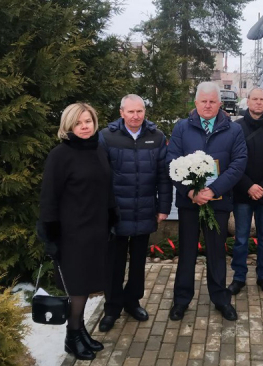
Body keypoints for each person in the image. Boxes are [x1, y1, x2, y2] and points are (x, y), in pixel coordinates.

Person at [39, 103, 116, 360]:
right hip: (72, 233)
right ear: (68, 126)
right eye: (79, 123)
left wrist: (111, 217)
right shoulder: (60, 155)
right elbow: (49, 197)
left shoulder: (98, 150)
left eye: (89, 121)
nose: (85, 126)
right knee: (78, 287)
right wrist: (50, 234)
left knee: (86, 284)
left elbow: (106, 187)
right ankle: (72, 337)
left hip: (96, 230)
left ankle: (80, 331)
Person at [167, 82, 247, 322]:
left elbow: (238, 164)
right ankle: (181, 300)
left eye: (213, 101)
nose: (208, 105)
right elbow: (172, 161)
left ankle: (221, 299)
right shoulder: (182, 128)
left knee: (216, 253)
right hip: (189, 203)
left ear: (220, 104)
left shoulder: (233, 131)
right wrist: (190, 192)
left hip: (218, 203)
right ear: (196, 103)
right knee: (187, 252)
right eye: (204, 101)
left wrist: (212, 190)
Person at [98, 94, 172, 332]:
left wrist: (163, 208)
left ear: (144, 112)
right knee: (114, 264)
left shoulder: (157, 137)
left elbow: (163, 175)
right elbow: (100, 178)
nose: (135, 116)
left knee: (139, 262)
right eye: (130, 112)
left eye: (139, 111)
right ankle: (112, 308)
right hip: (116, 213)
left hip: (144, 210)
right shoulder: (106, 137)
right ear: (121, 113)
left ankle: (132, 302)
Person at [229, 88, 263, 296]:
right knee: (241, 238)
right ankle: (239, 277)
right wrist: (248, 185)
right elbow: (231, 160)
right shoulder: (236, 128)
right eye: (255, 99)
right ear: (248, 101)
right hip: (243, 193)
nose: (258, 103)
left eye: (262, 99)